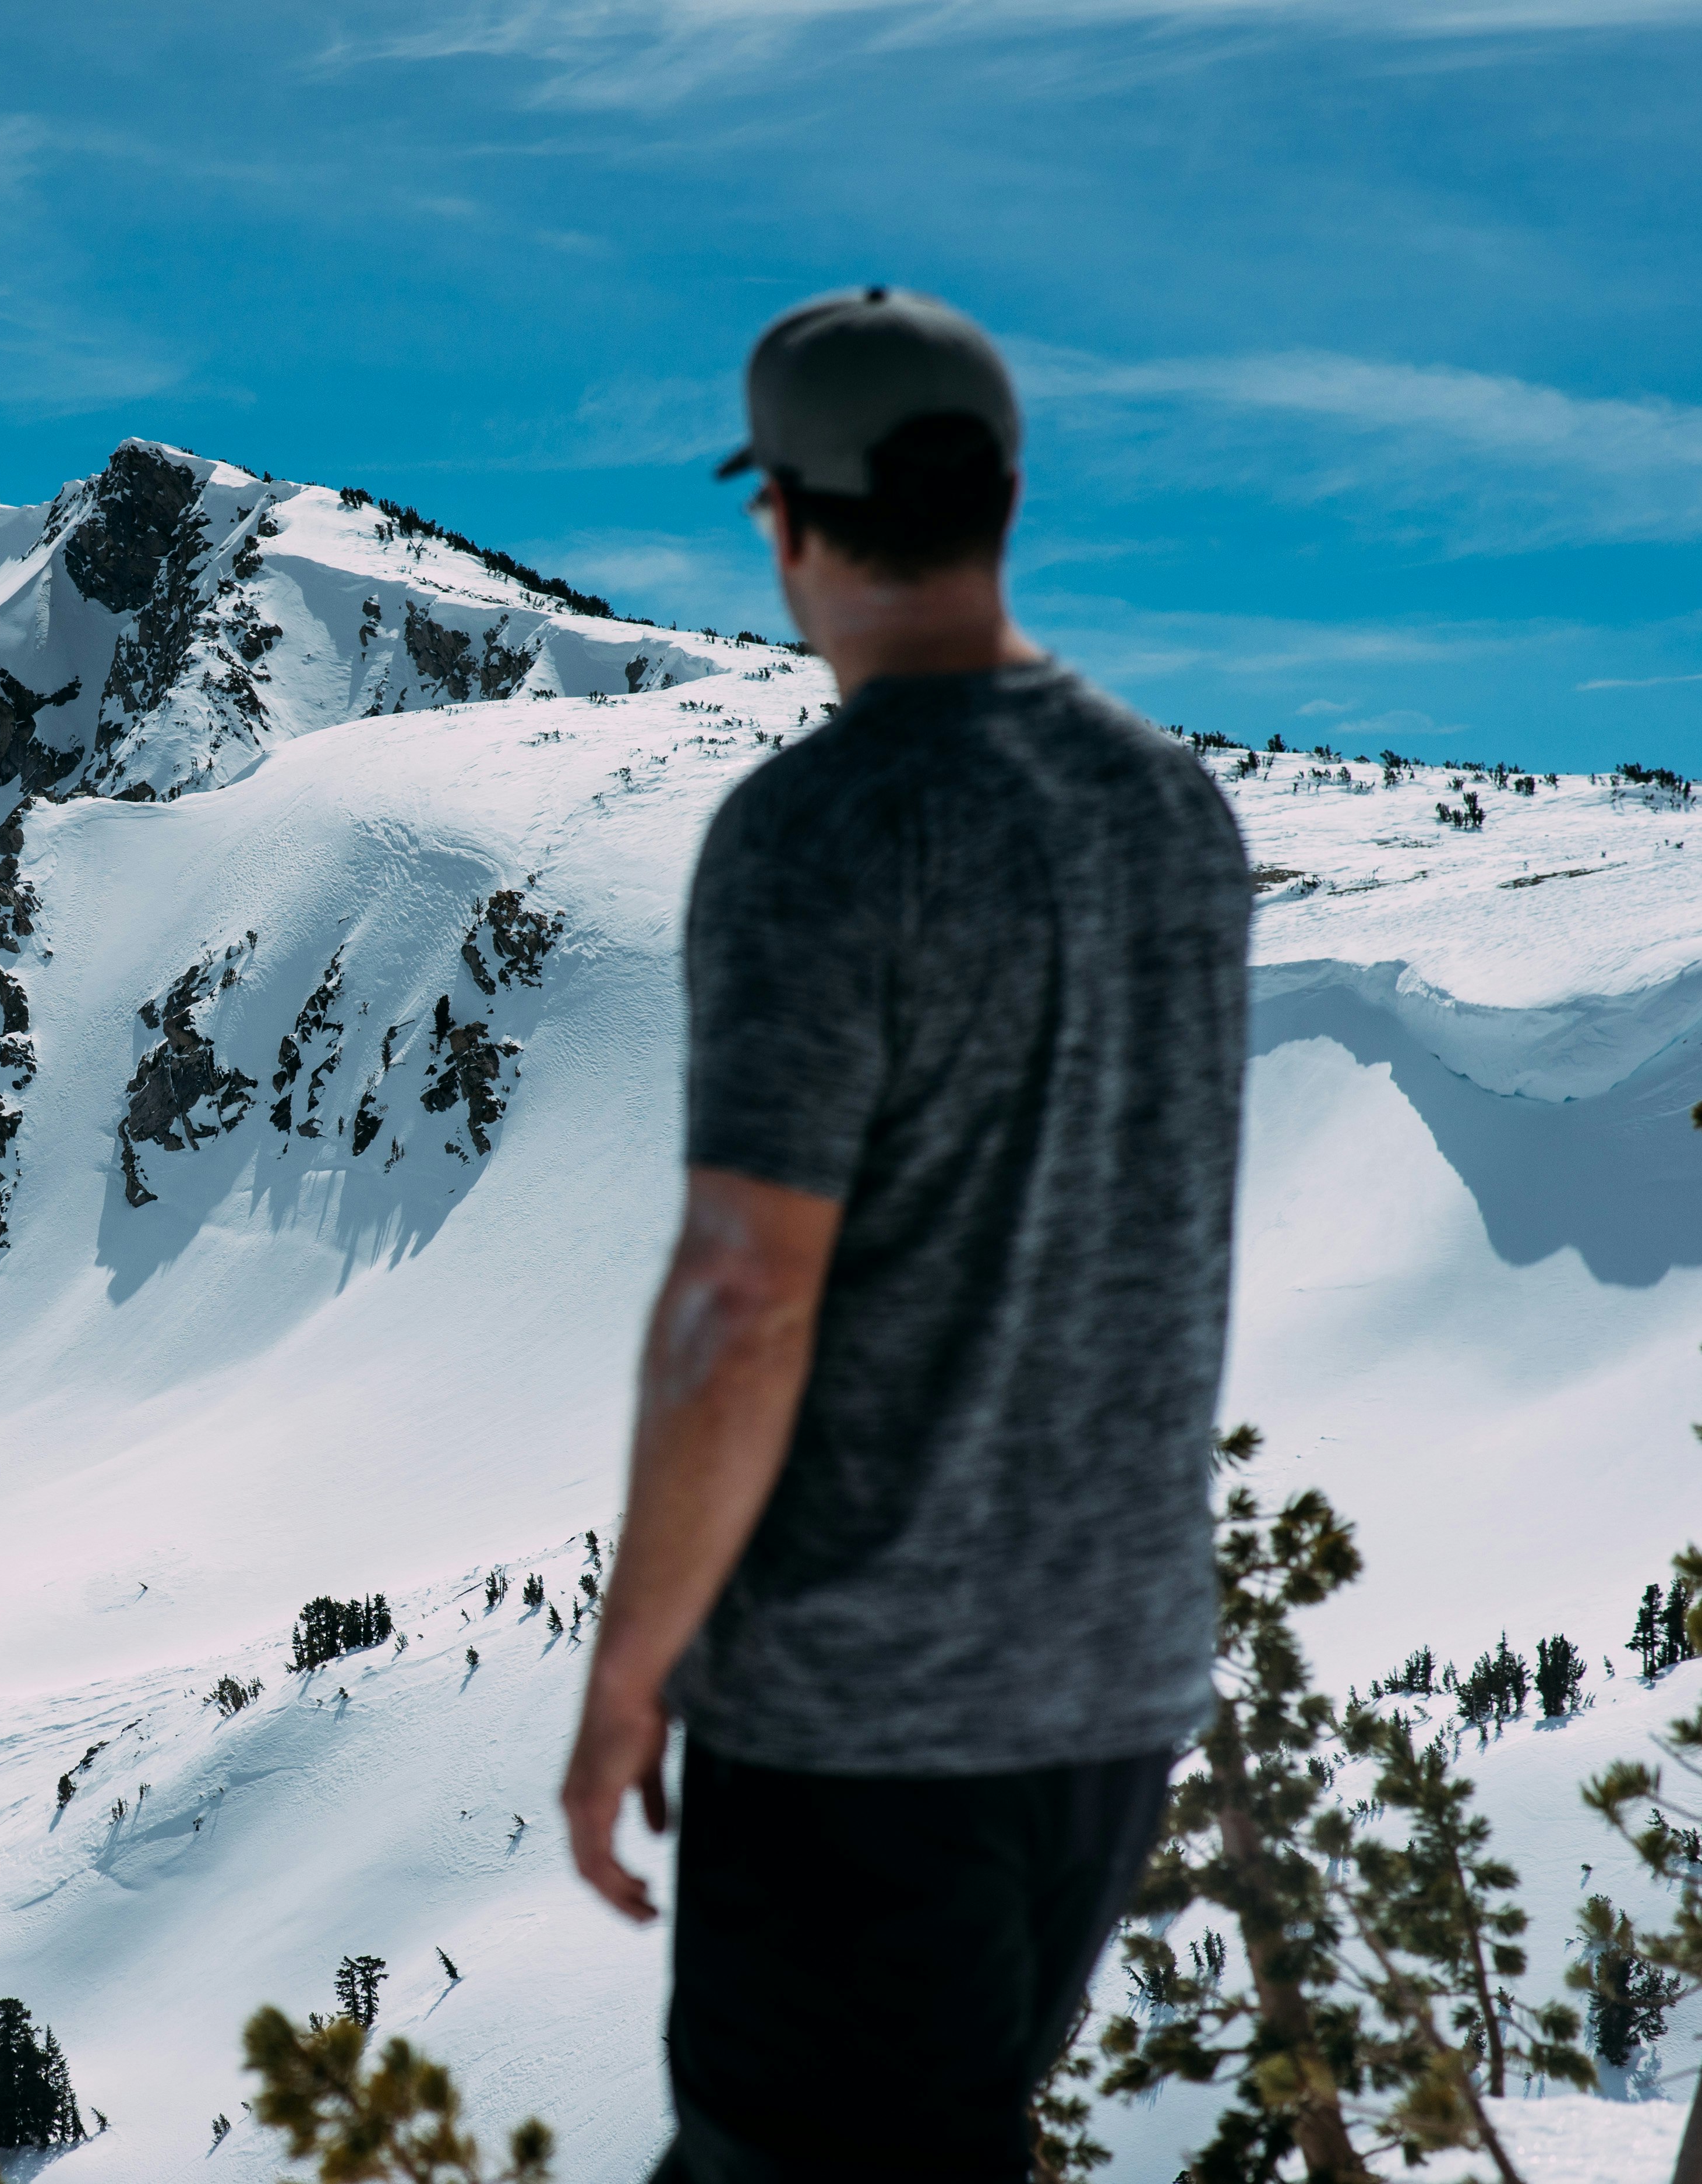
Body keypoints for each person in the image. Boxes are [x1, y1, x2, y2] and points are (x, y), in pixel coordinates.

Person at [557, 288, 1252, 2180]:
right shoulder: (1171, 806)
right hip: (1108, 1686)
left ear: (783, 516)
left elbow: (742, 1298)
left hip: (867, 1710)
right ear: (1003, 497)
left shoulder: (819, 828)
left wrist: (630, 1681)